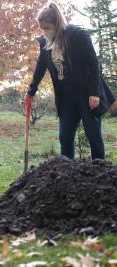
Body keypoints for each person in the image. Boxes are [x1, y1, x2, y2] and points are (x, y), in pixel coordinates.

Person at [27, 2, 116, 160]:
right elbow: (42, 65)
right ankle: (67, 175)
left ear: (56, 24)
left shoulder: (77, 35)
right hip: (66, 97)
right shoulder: (45, 42)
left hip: (86, 94)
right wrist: (31, 90)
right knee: (65, 138)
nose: (43, 31)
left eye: (46, 28)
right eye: (41, 28)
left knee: (93, 136)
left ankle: (99, 174)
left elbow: (93, 63)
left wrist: (94, 93)